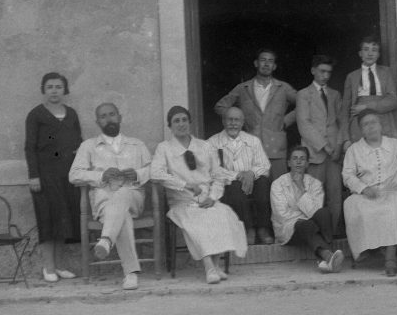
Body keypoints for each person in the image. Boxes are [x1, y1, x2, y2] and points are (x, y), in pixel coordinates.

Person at [151, 106, 248, 284]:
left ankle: (217, 265)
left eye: (184, 120)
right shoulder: (164, 148)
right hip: (182, 201)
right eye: (176, 121)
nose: (181, 124)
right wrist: (185, 184)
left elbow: (218, 174)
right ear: (170, 126)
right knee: (198, 220)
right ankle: (208, 267)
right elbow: (156, 174)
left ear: (190, 122)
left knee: (223, 214)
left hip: (207, 199)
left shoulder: (205, 146)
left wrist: (213, 197)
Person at [69, 103, 152, 290]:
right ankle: (131, 274)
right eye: (103, 116)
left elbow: (154, 170)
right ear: (97, 121)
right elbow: (73, 175)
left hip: (133, 198)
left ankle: (106, 239)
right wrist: (101, 175)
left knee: (123, 192)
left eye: (112, 114)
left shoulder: (137, 144)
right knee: (123, 218)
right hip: (103, 200)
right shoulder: (88, 146)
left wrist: (138, 174)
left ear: (120, 117)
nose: (109, 119)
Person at [25, 72, 83, 283]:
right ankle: (48, 267)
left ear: (64, 90)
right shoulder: (36, 115)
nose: (54, 91)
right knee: (48, 220)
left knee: (64, 222)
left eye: (58, 87)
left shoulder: (72, 114)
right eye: (50, 87)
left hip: (68, 176)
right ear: (43, 90)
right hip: (45, 176)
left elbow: (80, 143)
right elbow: (30, 147)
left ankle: (59, 266)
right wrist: (34, 176)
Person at [342, 110, 397, 277]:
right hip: (366, 193)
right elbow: (347, 175)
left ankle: (390, 257)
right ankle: (369, 251)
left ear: (381, 125)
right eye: (365, 124)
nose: (371, 127)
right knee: (354, 206)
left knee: (394, 208)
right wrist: (364, 189)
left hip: (392, 190)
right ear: (361, 130)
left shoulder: (395, 144)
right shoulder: (354, 149)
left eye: (373, 122)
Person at [214, 48, 298, 180]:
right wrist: (237, 119)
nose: (266, 64)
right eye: (263, 60)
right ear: (256, 63)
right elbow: (220, 106)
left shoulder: (283, 88)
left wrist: (286, 120)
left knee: (279, 188)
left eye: (270, 61)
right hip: (250, 148)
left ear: (274, 66)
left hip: (275, 147)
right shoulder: (243, 88)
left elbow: (304, 105)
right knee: (256, 192)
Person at [270, 145, 344, 273]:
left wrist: (300, 188)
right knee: (306, 224)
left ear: (307, 163)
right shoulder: (278, 184)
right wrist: (306, 216)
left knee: (324, 213)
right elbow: (282, 214)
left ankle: (326, 259)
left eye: (302, 159)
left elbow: (317, 212)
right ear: (288, 163)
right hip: (289, 228)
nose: (298, 162)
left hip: (311, 225)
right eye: (295, 158)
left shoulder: (315, 183)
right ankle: (327, 255)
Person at [207, 106, 274, 245]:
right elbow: (213, 170)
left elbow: (264, 165)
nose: (233, 123)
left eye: (237, 120)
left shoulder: (253, 140)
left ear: (242, 123)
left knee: (263, 183)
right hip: (228, 184)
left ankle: (262, 228)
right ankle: (248, 229)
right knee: (236, 188)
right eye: (229, 119)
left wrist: (251, 173)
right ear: (223, 121)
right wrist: (239, 175)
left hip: (253, 181)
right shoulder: (212, 142)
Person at [296, 54, 344, 230]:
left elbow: (342, 122)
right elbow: (304, 125)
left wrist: (338, 146)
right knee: (313, 195)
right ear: (313, 70)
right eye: (322, 71)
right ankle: (316, 234)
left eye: (329, 72)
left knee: (335, 195)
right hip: (315, 152)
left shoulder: (335, 94)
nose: (326, 76)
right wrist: (326, 146)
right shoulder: (303, 94)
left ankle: (331, 234)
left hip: (334, 155)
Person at [340, 35, 397, 150]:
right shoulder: (352, 77)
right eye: (366, 49)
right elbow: (345, 110)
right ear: (360, 54)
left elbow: (393, 100)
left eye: (374, 50)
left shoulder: (386, 72)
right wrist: (346, 138)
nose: (370, 53)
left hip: (383, 120)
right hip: (359, 122)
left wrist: (366, 106)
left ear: (378, 54)